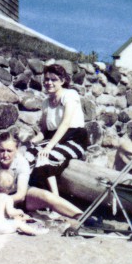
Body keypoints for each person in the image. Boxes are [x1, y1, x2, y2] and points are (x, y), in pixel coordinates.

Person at [0, 131, 81, 222]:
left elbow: (21, 195)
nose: (5, 155)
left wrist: (5, 201)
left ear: (17, 149)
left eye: (9, 151)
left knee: (46, 196)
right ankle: (17, 216)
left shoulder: (22, 162)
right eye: (2, 150)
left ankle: (80, 216)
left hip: (20, 198)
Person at [24, 64, 87, 211]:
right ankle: (28, 195)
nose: (49, 83)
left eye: (54, 79)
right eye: (46, 79)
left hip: (74, 138)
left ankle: (56, 202)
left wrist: (48, 147)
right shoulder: (46, 102)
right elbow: (43, 132)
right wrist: (30, 142)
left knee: (46, 156)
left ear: (63, 80)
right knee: (26, 154)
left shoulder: (70, 95)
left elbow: (65, 124)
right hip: (54, 138)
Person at [0, 170, 49, 236]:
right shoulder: (8, 198)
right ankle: (35, 231)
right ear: (12, 187)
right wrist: (20, 211)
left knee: (7, 221)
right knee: (18, 223)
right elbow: (10, 212)